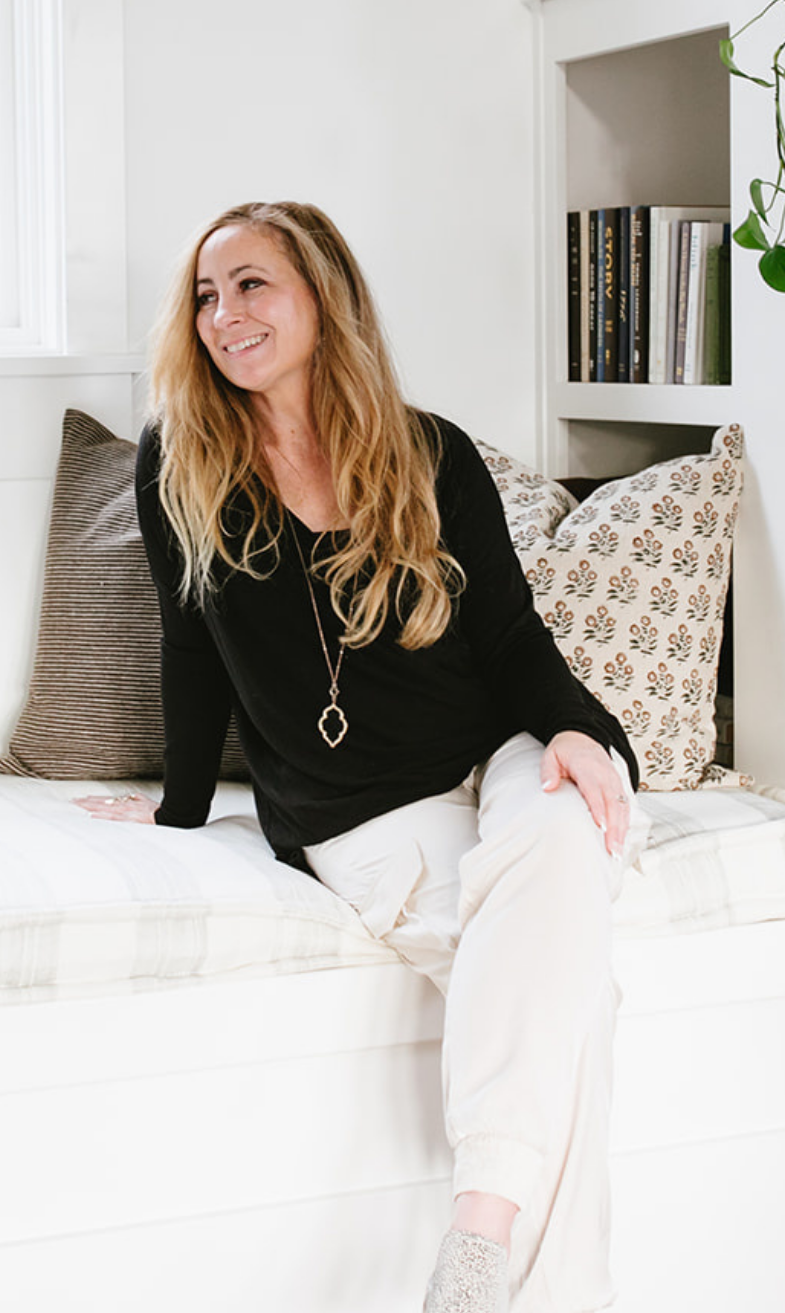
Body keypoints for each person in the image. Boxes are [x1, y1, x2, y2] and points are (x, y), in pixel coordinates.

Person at [75, 200, 642, 1313]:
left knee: (565, 827)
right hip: (357, 809)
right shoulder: (180, 464)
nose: (222, 315)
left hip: (500, 748)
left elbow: (514, 640)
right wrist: (183, 809)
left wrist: (574, 726)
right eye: (204, 294)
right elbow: (189, 648)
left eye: (251, 285)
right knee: (574, 991)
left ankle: (475, 1237)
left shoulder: (429, 450)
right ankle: (502, 1256)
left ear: (322, 297)